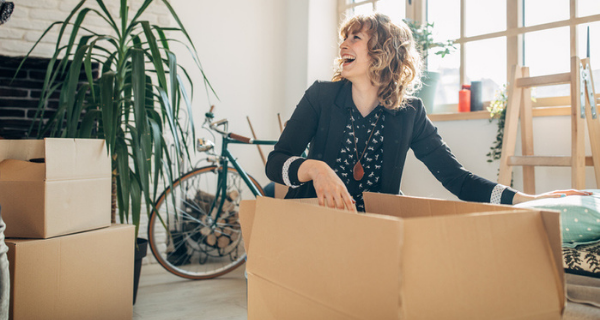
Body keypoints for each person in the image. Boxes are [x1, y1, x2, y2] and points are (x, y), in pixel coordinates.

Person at [265, 12, 591, 212]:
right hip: (312, 223)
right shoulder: (321, 96)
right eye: (344, 38)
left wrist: (525, 199)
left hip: (374, 231)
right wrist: (315, 169)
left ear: (384, 50)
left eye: (356, 37)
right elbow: (276, 163)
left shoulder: (410, 113)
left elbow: (456, 178)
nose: (343, 45)